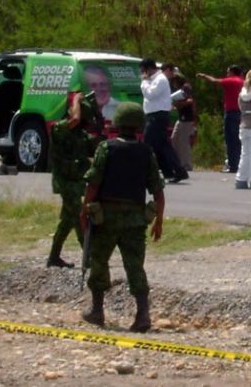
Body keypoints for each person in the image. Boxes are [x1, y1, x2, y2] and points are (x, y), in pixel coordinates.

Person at [79, 102, 165, 333]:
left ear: (116, 123)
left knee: (99, 262)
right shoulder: (146, 152)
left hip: (105, 219)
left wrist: (85, 210)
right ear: (139, 126)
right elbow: (158, 191)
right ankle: (142, 314)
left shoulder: (106, 149)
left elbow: (93, 183)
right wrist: (159, 221)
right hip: (135, 222)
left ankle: (97, 310)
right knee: (135, 267)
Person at [46, 92, 102, 269]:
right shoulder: (59, 128)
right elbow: (75, 119)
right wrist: (76, 99)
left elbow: (96, 143)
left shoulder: (81, 135)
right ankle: (89, 258)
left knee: (67, 221)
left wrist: (98, 114)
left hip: (76, 182)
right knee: (79, 218)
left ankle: (54, 257)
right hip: (65, 182)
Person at [139, 58, 188, 183]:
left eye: (143, 71)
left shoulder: (160, 79)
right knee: (160, 146)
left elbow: (150, 95)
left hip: (158, 116)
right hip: (153, 115)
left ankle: (143, 171)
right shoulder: (153, 80)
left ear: (149, 69)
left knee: (148, 143)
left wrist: (144, 82)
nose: (143, 74)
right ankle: (172, 172)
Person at [196, 65, 244, 173]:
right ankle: (239, 164)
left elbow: (214, 81)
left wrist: (204, 76)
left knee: (230, 140)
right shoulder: (243, 81)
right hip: (242, 113)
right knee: (238, 139)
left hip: (231, 112)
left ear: (232, 72)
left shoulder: (231, 80)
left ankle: (233, 166)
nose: (227, 74)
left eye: (228, 72)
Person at [162, 65, 196, 172]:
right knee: (174, 138)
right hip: (181, 117)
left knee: (184, 141)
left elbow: (190, 101)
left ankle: (186, 164)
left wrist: (179, 103)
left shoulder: (186, 87)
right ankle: (177, 162)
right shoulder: (180, 89)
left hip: (187, 117)